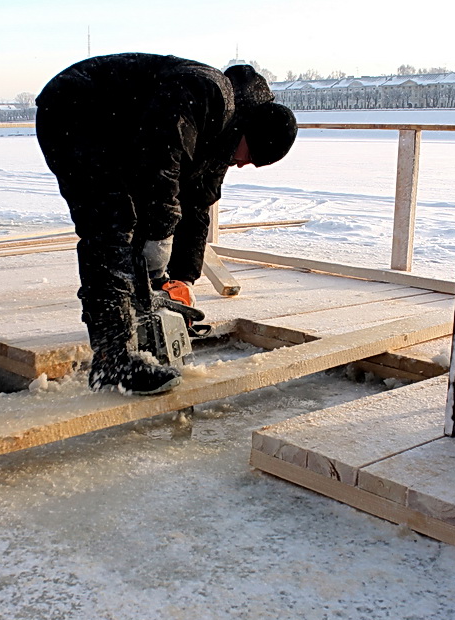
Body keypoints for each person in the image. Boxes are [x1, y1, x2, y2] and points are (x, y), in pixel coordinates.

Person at [36, 53, 297, 395]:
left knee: (132, 224)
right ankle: (112, 360)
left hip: (117, 129)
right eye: (251, 156)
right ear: (250, 131)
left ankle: (129, 331)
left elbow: (198, 205)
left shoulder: (224, 136)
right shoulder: (207, 92)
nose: (244, 164)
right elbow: (159, 159)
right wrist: (158, 239)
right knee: (111, 222)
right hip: (77, 109)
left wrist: (181, 279)